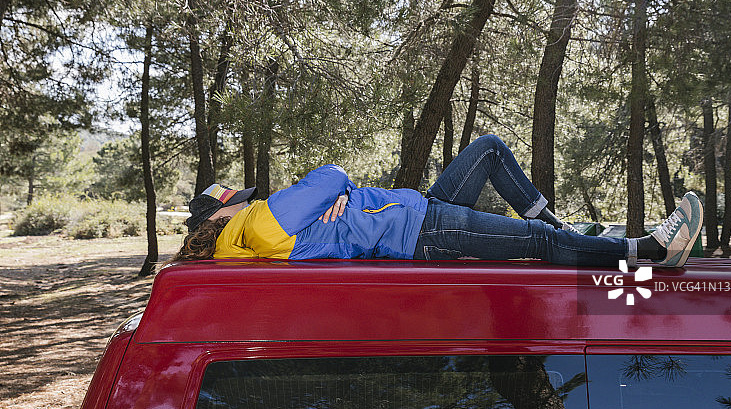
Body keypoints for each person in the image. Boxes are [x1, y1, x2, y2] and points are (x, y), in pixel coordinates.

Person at [174, 135, 703, 268]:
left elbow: (334, 197)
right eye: (235, 198)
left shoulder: (251, 235)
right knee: (537, 243)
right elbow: (333, 175)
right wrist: (341, 194)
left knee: (489, 151)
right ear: (218, 213)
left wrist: (343, 200)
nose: (248, 196)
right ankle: (652, 252)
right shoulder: (261, 222)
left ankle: (573, 235)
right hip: (419, 231)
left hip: (413, 215)